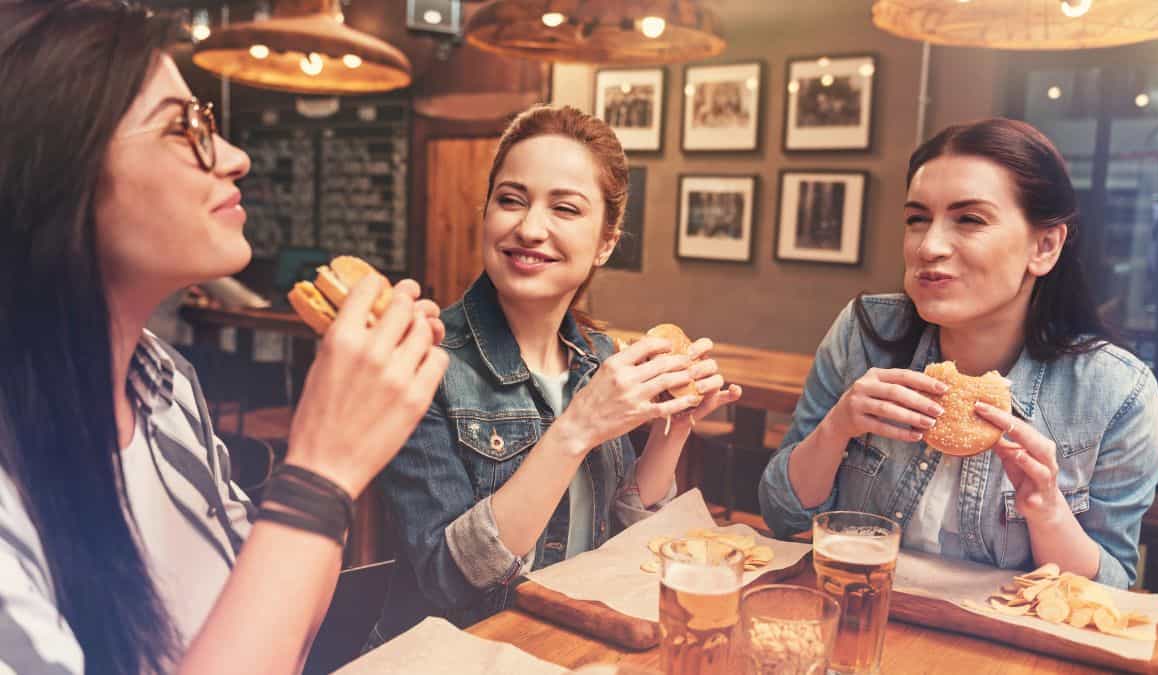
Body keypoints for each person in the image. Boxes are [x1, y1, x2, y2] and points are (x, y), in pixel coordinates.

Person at [0, 2, 447, 672]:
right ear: (57, 179)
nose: (237, 157)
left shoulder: (164, 386)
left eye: (207, 122)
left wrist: (352, 450)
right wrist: (318, 474)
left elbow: (277, 626)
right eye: (182, 129)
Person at [371, 105, 743, 640]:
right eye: (510, 200)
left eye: (564, 209)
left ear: (606, 243)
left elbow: (622, 537)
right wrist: (578, 427)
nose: (529, 228)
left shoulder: (598, 355)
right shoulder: (419, 359)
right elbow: (448, 577)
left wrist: (673, 425)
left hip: (572, 647)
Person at [759, 118, 1158, 589]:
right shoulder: (863, 333)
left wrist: (1048, 512)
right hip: (859, 609)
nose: (929, 246)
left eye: (969, 219)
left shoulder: (1116, 393)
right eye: (917, 219)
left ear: (1045, 246)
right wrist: (836, 429)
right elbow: (780, 515)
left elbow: (1112, 590)